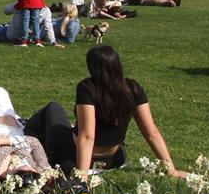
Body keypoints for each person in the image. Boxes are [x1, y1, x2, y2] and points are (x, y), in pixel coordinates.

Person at [23, 45, 186, 177]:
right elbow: (152, 132)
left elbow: (87, 136)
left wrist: (82, 176)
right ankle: (32, 132)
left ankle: (25, 127)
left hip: (73, 155)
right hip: (113, 158)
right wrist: (170, 169)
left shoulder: (88, 88)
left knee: (53, 108)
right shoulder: (133, 88)